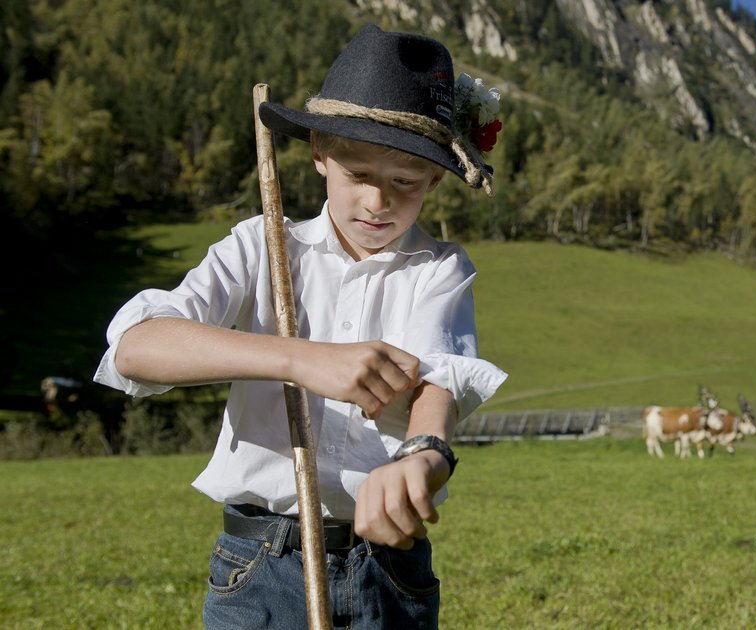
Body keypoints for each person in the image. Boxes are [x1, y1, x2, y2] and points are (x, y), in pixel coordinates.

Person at [94, 24, 507, 628]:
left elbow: (437, 381)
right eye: (359, 174)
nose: (377, 202)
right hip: (261, 563)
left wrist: (423, 457)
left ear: (436, 180)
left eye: (405, 184)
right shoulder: (261, 248)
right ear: (319, 152)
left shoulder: (438, 269)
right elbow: (136, 346)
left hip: (389, 571)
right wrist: (298, 358)